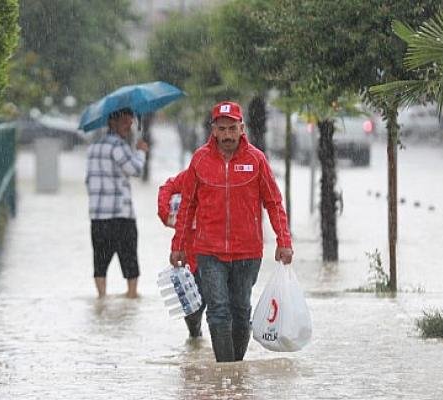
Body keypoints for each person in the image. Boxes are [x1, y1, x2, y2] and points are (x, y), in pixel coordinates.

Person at [169, 100, 293, 362]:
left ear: (242, 128)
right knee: (217, 310)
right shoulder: (200, 160)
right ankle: (226, 372)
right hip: (209, 252)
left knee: (240, 310)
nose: (227, 135)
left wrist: (284, 240)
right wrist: (178, 245)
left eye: (232, 128)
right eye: (222, 128)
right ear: (213, 130)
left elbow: (273, 202)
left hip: (248, 252)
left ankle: (236, 369)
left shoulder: (257, 160)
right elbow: (187, 206)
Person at [86, 107, 149, 298]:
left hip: (98, 217)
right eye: (125, 122)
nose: (129, 127)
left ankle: (101, 300)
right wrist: (141, 152)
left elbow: (88, 180)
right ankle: (131, 297)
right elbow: (135, 170)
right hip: (122, 215)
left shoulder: (93, 148)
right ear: (112, 123)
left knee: (100, 264)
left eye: (130, 123)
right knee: (130, 262)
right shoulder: (118, 146)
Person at [158, 169, 205, 338]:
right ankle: (195, 337)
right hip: (189, 249)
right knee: (193, 305)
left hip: (220, 247)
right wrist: (165, 213)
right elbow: (168, 187)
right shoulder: (196, 171)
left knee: (218, 301)